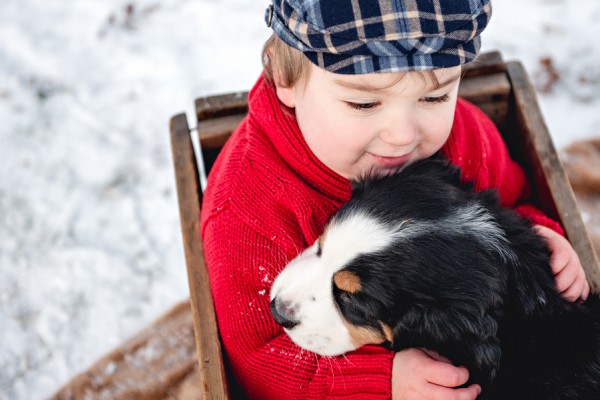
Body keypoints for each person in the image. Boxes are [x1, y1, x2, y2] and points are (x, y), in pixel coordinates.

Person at [200, 1, 590, 399]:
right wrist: (383, 380)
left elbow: (512, 198)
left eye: (434, 98)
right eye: (364, 103)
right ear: (285, 77)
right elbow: (257, 360)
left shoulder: (467, 139)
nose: (403, 135)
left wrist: (543, 239)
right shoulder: (246, 210)